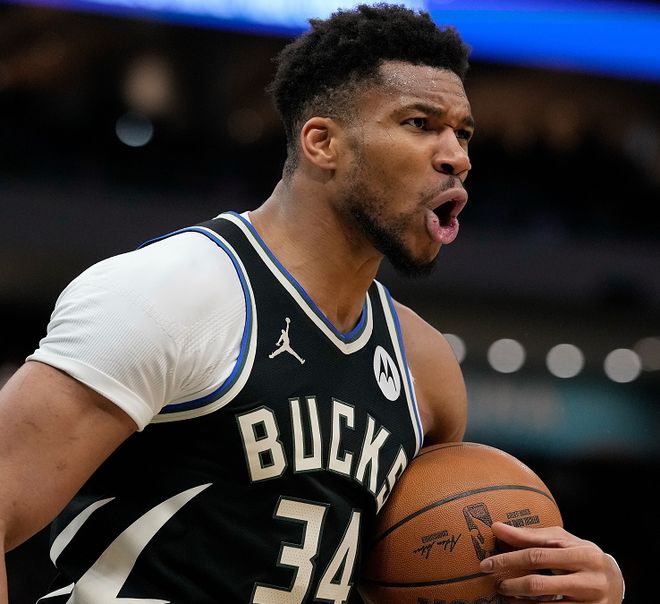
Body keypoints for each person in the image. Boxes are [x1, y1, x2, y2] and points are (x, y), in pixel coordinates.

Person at [0, 4, 625, 603]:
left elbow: (423, 576)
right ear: (322, 143)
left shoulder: (426, 368)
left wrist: (569, 584)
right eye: (420, 123)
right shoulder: (170, 293)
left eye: (463, 134)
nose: (456, 157)